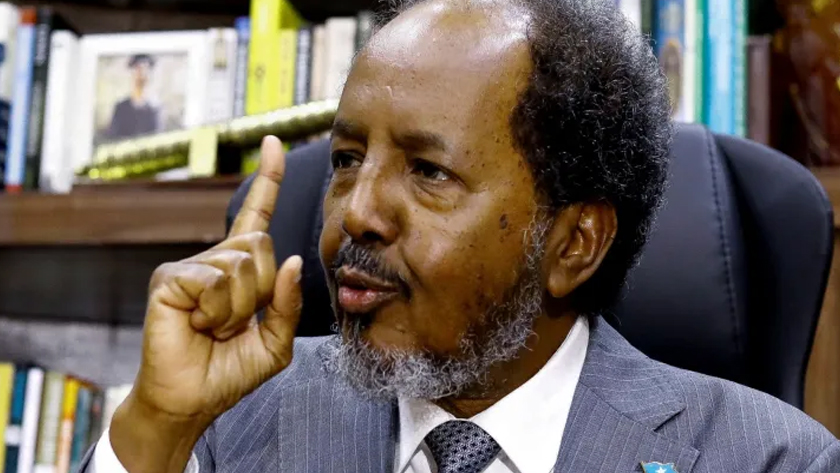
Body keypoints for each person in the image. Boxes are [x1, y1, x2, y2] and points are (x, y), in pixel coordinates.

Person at [83, 0, 840, 472]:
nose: (356, 213)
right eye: (347, 160)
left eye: (428, 172)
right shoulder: (229, 423)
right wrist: (155, 428)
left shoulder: (772, 460)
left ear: (574, 243)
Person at [106, 54, 161, 141]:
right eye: (138, 69)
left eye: (145, 70)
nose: (141, 74)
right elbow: (112, 139)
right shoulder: (120, 108)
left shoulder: (155, 110)